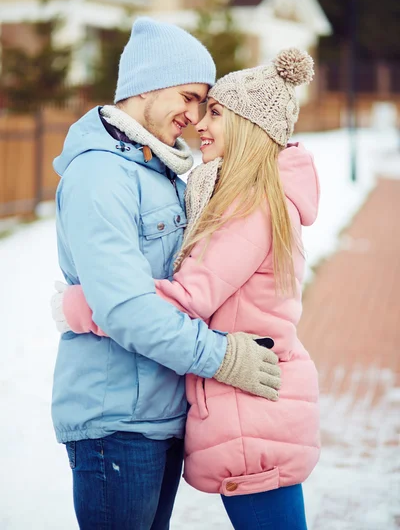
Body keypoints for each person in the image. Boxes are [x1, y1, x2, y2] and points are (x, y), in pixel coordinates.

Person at [52, 47, 321, 529]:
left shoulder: (249, 207)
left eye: (215, 110)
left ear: (245, 125)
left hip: (249, 418)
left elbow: (187, 297)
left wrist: (82, 305)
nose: (199, 120)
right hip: (244, 415)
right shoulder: (244, 196)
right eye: (197, 102)